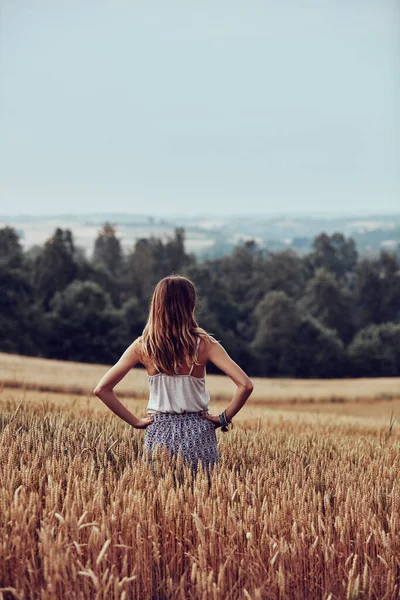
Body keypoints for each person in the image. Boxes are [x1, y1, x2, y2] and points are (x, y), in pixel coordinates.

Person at [94, 275, 254, 474]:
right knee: (201, 498)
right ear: (190, 305)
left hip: (159, 431)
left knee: (159, 498)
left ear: (156, 305)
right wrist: (223, 418)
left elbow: (102, 389)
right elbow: (246, 385)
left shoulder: (143, 346)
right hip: (198, 431)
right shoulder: (204, 344)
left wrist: (135, 422)